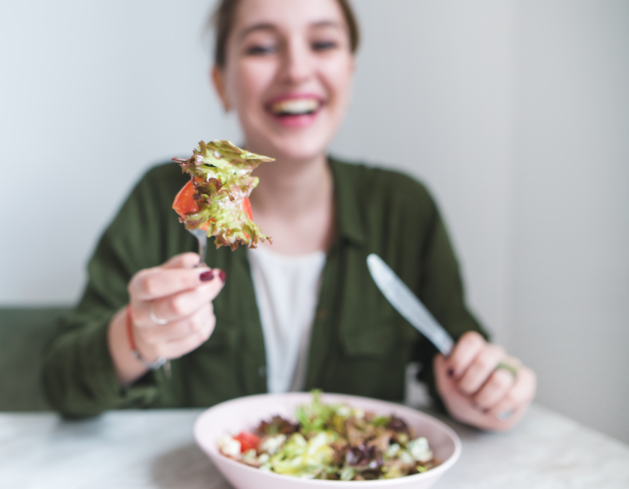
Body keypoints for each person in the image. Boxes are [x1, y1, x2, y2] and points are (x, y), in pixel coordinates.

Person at [42, 0, 536, 431]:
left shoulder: (404, 209)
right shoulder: (164, 201)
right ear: (221, 83)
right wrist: (136, 336)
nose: (297, 70)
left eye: (323, 43)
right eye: (261, 48)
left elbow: (459, 363)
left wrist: (490, 389)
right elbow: (62, 383)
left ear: (350, 70)